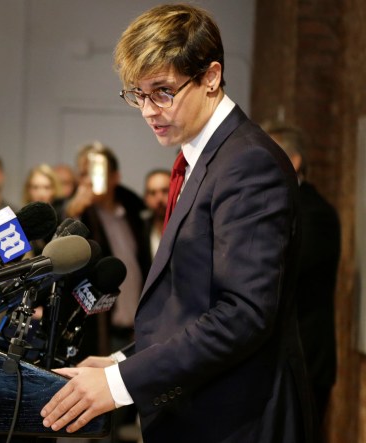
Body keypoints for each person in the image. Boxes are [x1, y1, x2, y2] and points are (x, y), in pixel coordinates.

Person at [41, 4, 314, 443]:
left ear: (210, 77)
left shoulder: (248, 163)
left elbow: (242, 316)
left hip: (238, 421)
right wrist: (123, 362)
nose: (148, 110)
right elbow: (189, 306)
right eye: (138, 94)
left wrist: (118, 385)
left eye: (163, 91)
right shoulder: (199, 157)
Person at [264, 123, 340, 429]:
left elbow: (285, 274)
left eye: (269, 155)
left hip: (306, 358)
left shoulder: (313, 212)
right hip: (285, 359)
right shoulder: (285, 205)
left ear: (292, 161)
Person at [62, 143, 151, 359]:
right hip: (98, 333)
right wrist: (73, 214)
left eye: (96, 172)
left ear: (115, 177)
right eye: (83, 174)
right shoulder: (75, 214)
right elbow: (60, 259)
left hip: (137, 331)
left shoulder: (133, 212)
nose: (89, 180)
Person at [141, 169, 170, 257]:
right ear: (145, 198)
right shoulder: (140, 230)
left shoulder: (188, 227)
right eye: (153, 193)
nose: (159, 198)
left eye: (165, 191)